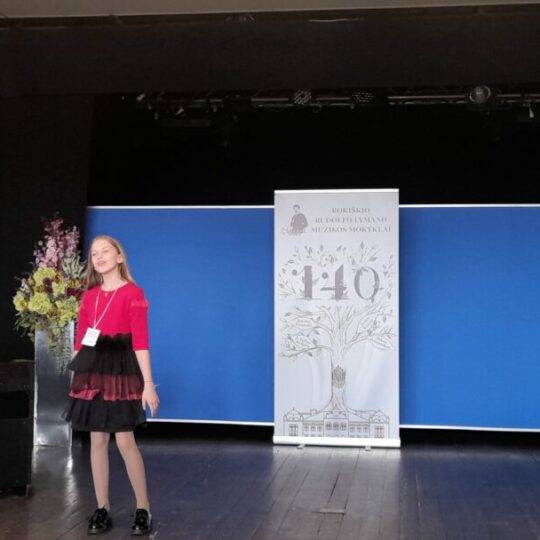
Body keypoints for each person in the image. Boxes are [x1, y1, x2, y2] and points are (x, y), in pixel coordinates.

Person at [62, 235, 159, 536]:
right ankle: (101, 507)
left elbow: (140, 342)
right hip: (93, 370)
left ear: (119, 257)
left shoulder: (133, 293)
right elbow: (81, 341)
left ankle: (143, 507)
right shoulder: (90, 296)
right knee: (97, 440)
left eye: (105, 251)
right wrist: (75, 377)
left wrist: (148, 384)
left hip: (120, 372)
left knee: (125, 440)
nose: (99, 257)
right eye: (94, 254)